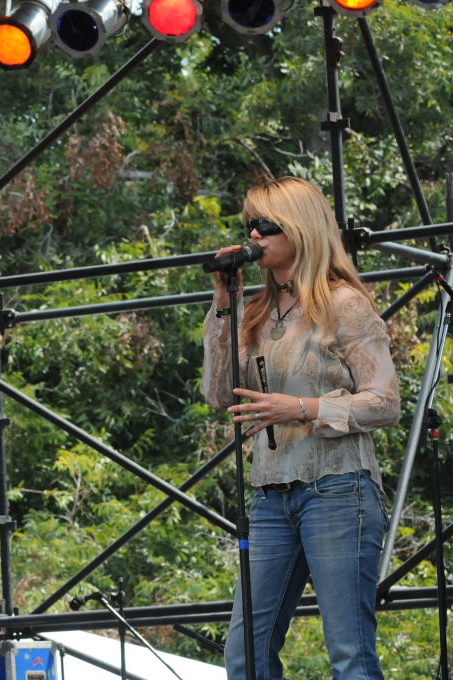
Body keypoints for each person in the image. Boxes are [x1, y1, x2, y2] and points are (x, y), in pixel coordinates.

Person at [202, 177, 400, 679]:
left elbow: (384, 403)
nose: (254, 234)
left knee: (349, 654)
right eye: (250, 224)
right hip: (270, 497)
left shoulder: (343, 303)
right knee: (245, 654)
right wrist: (224, 303)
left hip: (339, 489)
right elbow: (219, 395)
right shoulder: (255, 312)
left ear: (300, 228)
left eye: (266, 224)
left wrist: (303, 408)